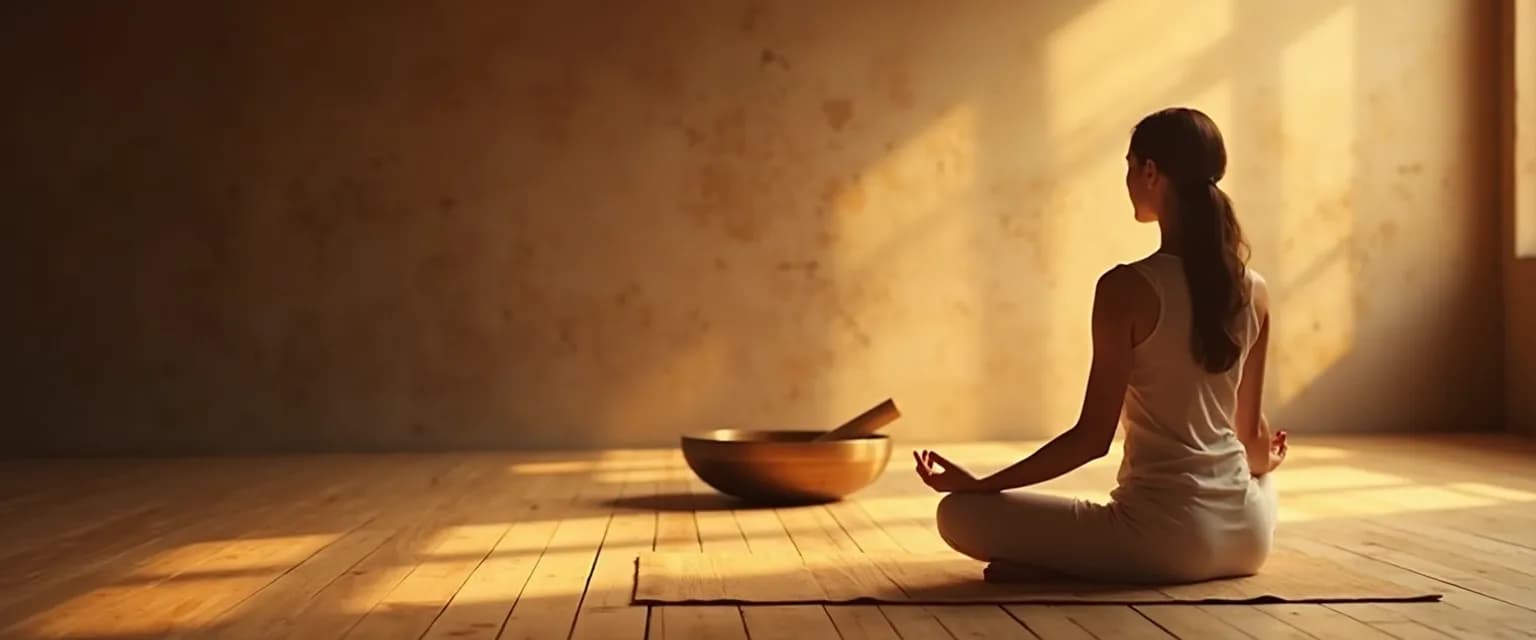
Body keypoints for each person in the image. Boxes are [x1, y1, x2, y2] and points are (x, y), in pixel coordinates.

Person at [914, 107, 1288, 585]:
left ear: (1149, 171)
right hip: (1247, 541)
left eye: (1130, 166)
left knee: (958, 514)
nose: (1128, 179)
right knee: (1259, 480)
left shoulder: (1126, 288)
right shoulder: (1254, 289)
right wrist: (1267, 464)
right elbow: (1251, 442)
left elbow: (1091, 440)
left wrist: (983, 485)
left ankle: (1068, 566)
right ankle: (1079, 564)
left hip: (1162, 543)